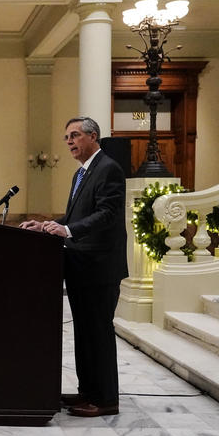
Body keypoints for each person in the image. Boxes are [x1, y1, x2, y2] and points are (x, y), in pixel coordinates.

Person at [19, 116, 128, 417]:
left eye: (75, 135)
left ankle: (105, 400)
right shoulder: (82, 173)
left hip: (100, 267)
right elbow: (76, 216)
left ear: (93, 137)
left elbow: (107, 214)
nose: (69, 142)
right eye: (66, 137)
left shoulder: (109, 169)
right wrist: (49, 225)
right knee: (85, 333)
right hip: (82, 266)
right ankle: (87, 392)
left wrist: (67, 232)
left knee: (98, 335)